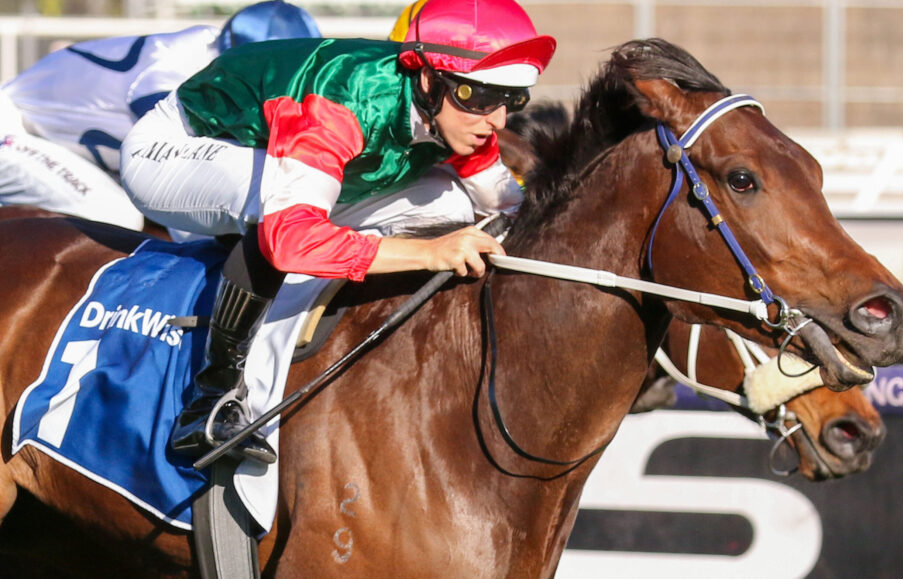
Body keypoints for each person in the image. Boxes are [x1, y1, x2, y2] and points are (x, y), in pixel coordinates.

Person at [120, 0, 556, 464]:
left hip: (288, 150)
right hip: (176, 150)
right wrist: (430, 253)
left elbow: (507, 204)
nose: (497, 120)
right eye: (480, 97)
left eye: (511, 99)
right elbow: (290, 240)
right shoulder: (341, 102)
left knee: (451, 200)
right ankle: (211, 397)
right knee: (277, 206)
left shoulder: (457, 114)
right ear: (429, 80)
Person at [0, 1, 320, 231]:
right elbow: (180, 160)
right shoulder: (184, 61)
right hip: (13, 128)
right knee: (116, 217)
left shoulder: (215, 54)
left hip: (46, 141)